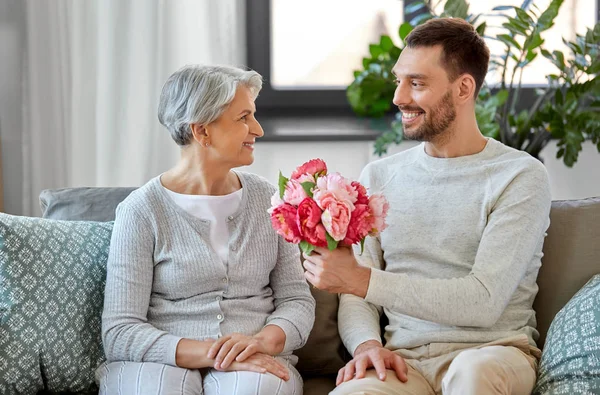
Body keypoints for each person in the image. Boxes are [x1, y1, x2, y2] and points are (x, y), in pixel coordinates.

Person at [302, 18, 551, 395]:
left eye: (416, 84)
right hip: (404, 362)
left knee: (473, 376)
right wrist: (367, 345)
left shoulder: (519, 176)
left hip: (492, 353)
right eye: (399, 81)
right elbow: (357, 294)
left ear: (463, 87)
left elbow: (483, 301)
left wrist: (362, 280)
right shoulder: (379, 176)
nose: (399, 97)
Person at [96, 65, 315, 395]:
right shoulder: (141, 211)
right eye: (243, 118)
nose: (257, 129)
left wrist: (259, 343)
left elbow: (297, 300)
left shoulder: (270, 200)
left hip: (258, 361)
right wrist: (216, 354)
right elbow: (121, 331)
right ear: (202, 132)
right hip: (158, 362)